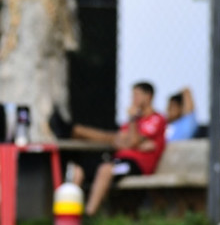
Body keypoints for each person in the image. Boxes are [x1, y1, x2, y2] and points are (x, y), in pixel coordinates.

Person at [49, 82, 167, 216]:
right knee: (79, 169)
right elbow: (119, 141)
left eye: (137, 95)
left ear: (149, 96)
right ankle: (69, 213)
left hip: (136, 165)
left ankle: (89, 214)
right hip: (118, 159)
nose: (133, 99)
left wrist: (132, 125)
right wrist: (134, 142)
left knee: (106, 169)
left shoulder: (156, 119)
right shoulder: (133, 122)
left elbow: (131, 141)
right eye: (132, 95)